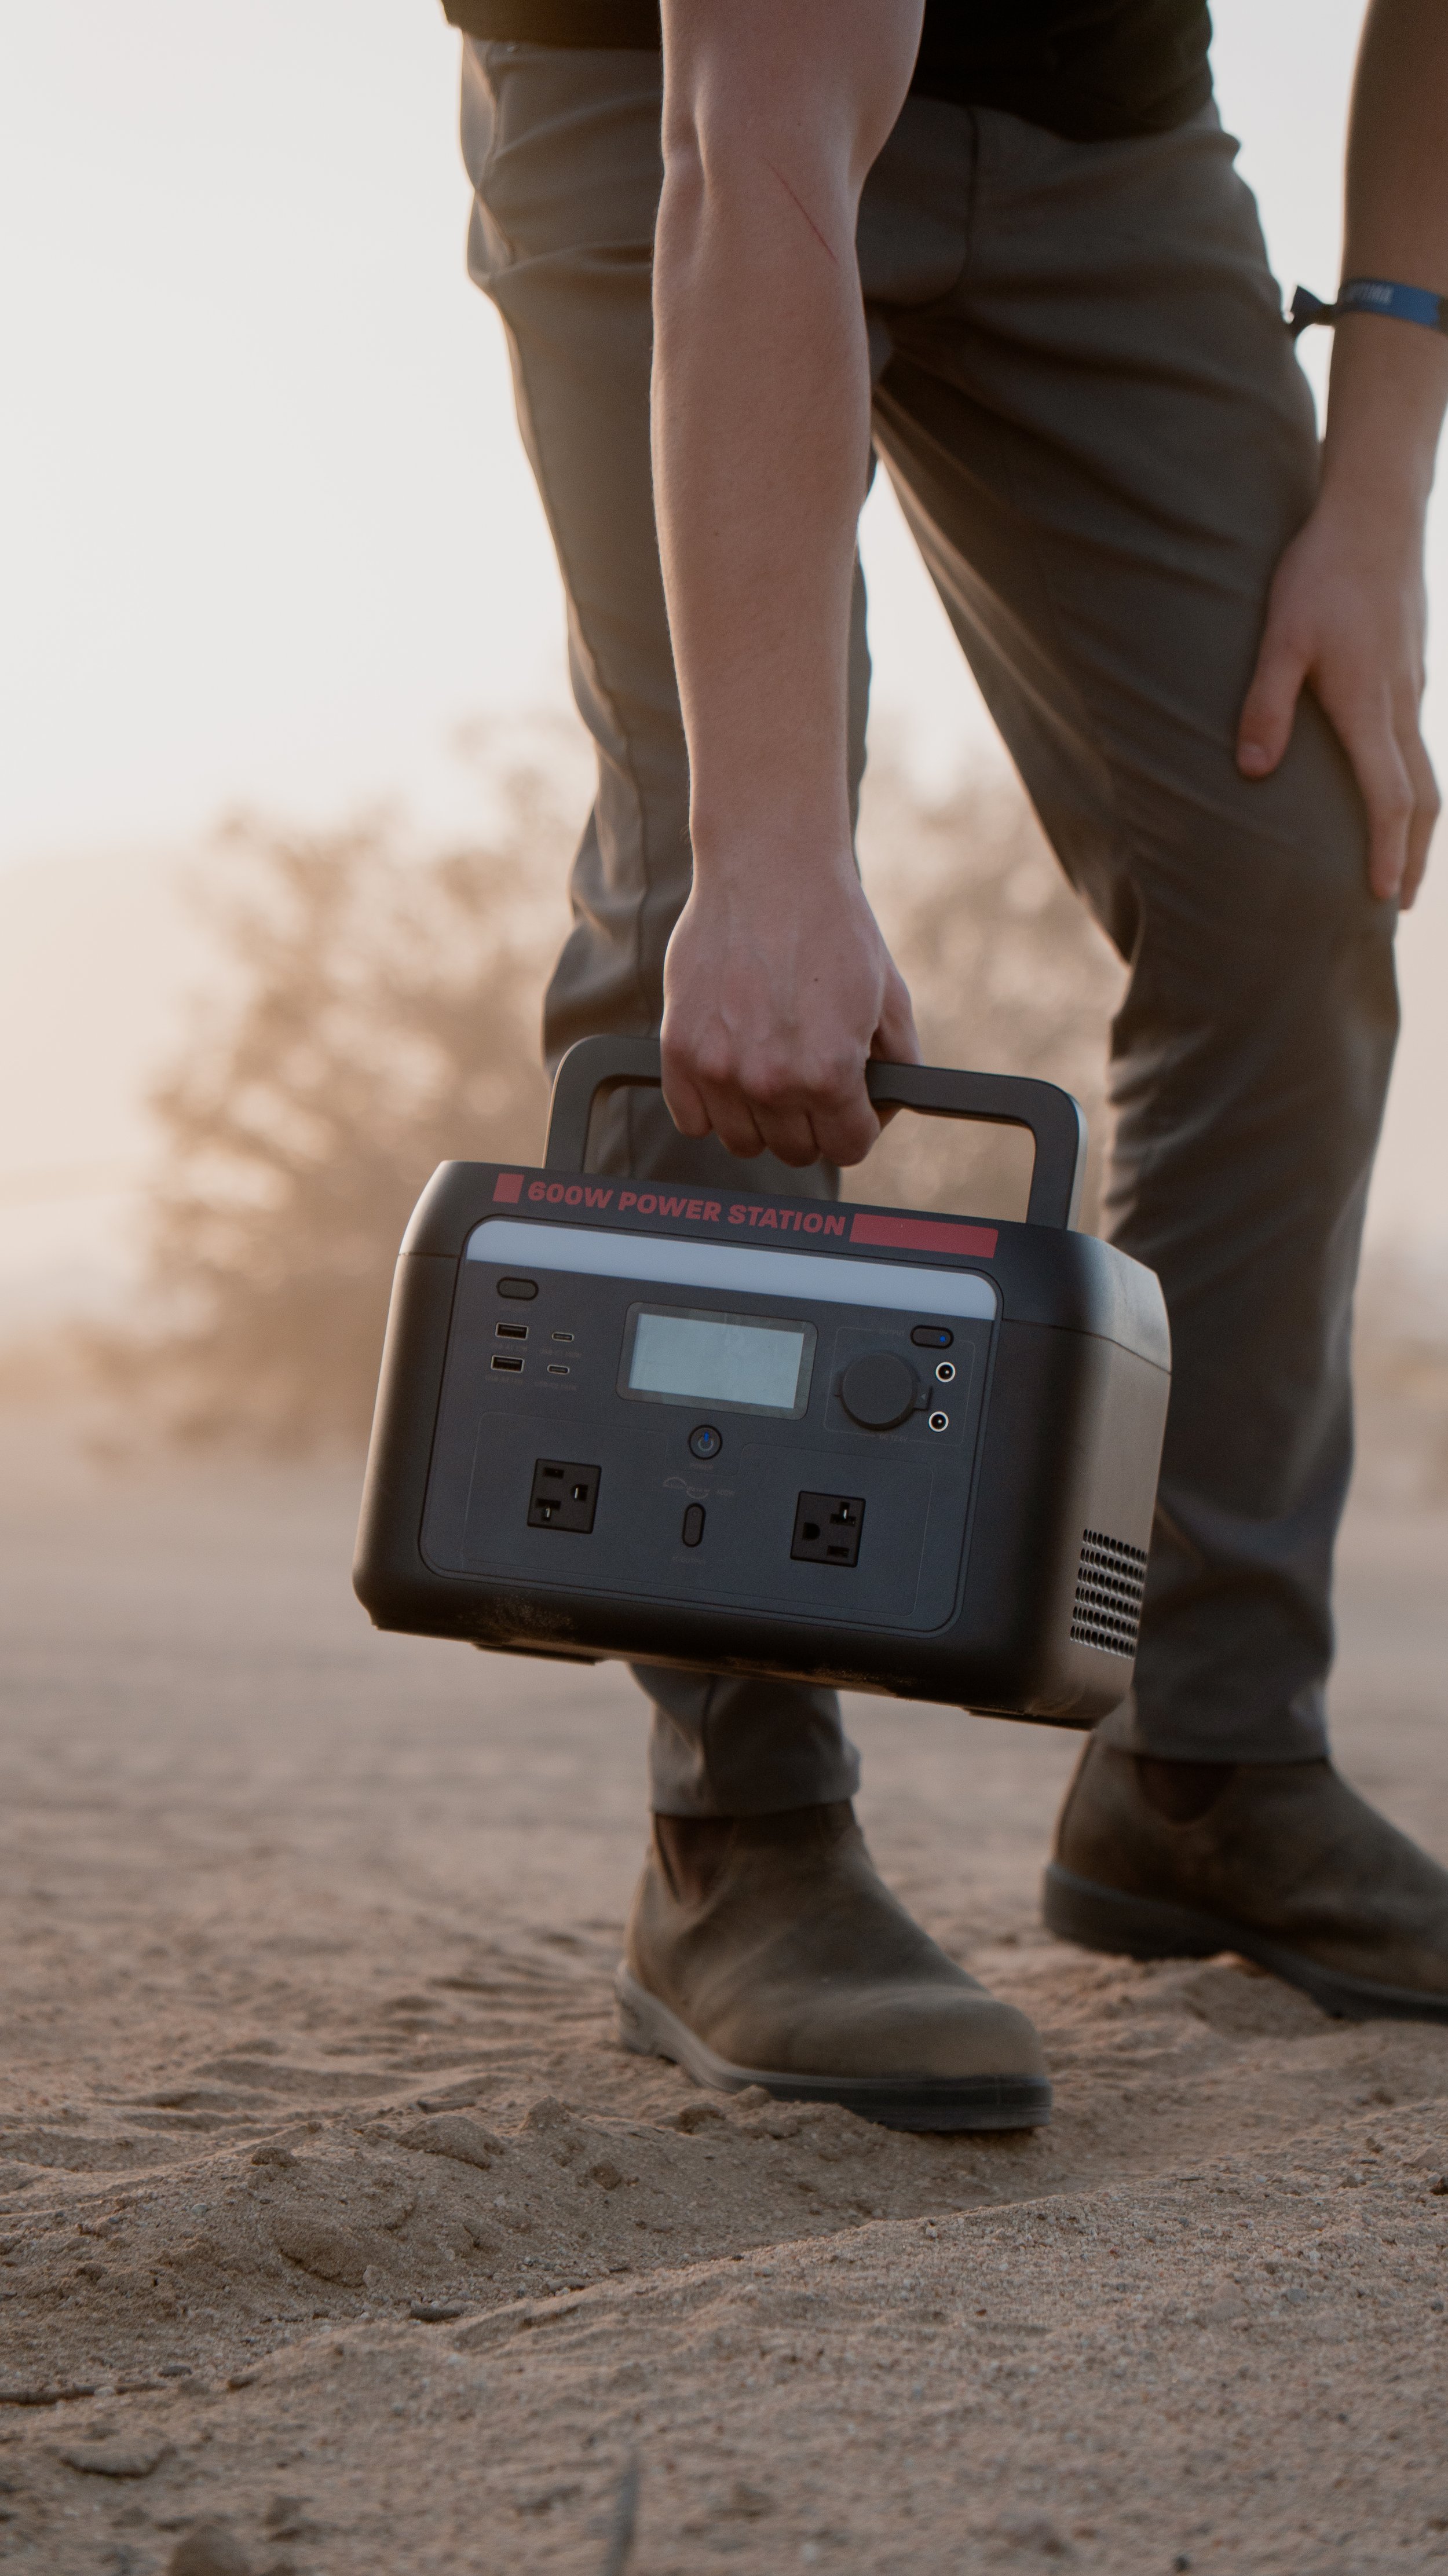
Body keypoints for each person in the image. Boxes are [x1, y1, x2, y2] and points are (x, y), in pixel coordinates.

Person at [444, 0, 1448, 2124]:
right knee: (707, 896)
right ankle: (742, 1832)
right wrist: (778, 855)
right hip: (683, 100)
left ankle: (1203, 1754)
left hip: (1109, 129)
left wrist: (1374, 501)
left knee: (1293, 869)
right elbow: (759, 146)